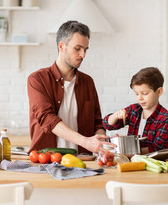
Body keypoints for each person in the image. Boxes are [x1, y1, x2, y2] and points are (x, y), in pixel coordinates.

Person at [27, 20, 115, 154]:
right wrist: (86, 142)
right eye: (78, 48)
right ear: (61, 46)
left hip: (83, 160)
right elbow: (47, 118)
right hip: (46, 161)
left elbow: (97, 124)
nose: (83, 55)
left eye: (85, 50)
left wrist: (102, 142)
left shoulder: (88, 82)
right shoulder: (37, 79)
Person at [102, 67, 168, 154]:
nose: (140, 98)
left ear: (159, 92)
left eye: (145, 94)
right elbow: (107, 124)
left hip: (154, 162)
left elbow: (158, 149)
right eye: (136, 94)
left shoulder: (165, 120)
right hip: (132, 161)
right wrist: (115, 116)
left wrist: (126, 150)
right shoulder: (134, 110)